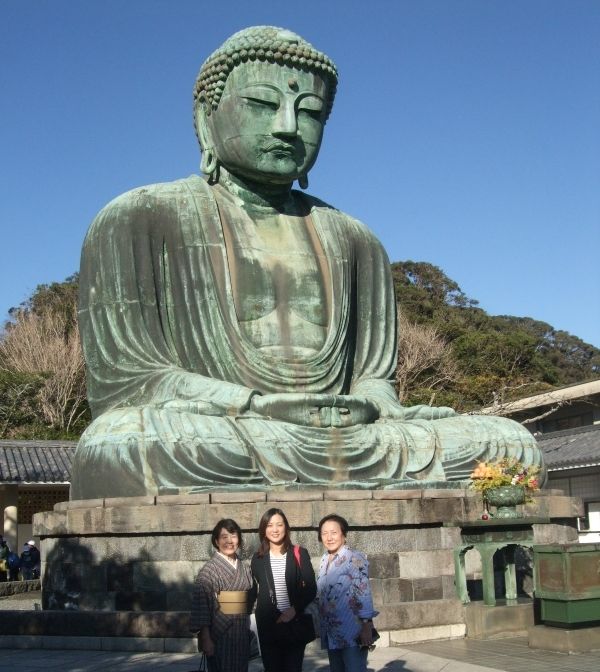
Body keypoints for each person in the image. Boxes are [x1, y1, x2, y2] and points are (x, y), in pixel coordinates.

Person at [71, 25, 545, 499]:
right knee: (123, 442)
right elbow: (131, 383)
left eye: (310, 113)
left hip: (350, 437)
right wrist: (256, 404)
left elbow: (373, 377)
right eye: (261, 104)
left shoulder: (356, 239)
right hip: (224, 430)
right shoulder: (138, 218)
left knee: (508, 443)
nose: (286, 127)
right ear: (204, 119)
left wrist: (379, 405)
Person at [250, 508, 316, 672]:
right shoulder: (257, 558)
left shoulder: (299, 553)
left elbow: (310, 588)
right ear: (263, 530)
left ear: (286, 528)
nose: (274, 529)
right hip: (268, 625)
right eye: (269, 525)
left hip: (293, 624)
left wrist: (293, 609)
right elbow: (251, 590)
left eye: (279, 524)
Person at [190, 518, 252, 672]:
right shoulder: (209, 570)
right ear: (216, 541)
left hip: (240, 633)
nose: (229, 541)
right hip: (219, 633)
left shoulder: (243, 566)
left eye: (233, 536)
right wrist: (206, 637)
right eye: (224, 537)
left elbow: (248, 601)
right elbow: (202, 605)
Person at [317, 513, 378, 672]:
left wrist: (366, 625)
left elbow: (363, 591)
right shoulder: (324, 561)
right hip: (332, 631)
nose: (329, 537)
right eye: (324, 533)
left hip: (352, 629)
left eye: (334, 532)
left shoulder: (355, 558)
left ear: (343, 534)